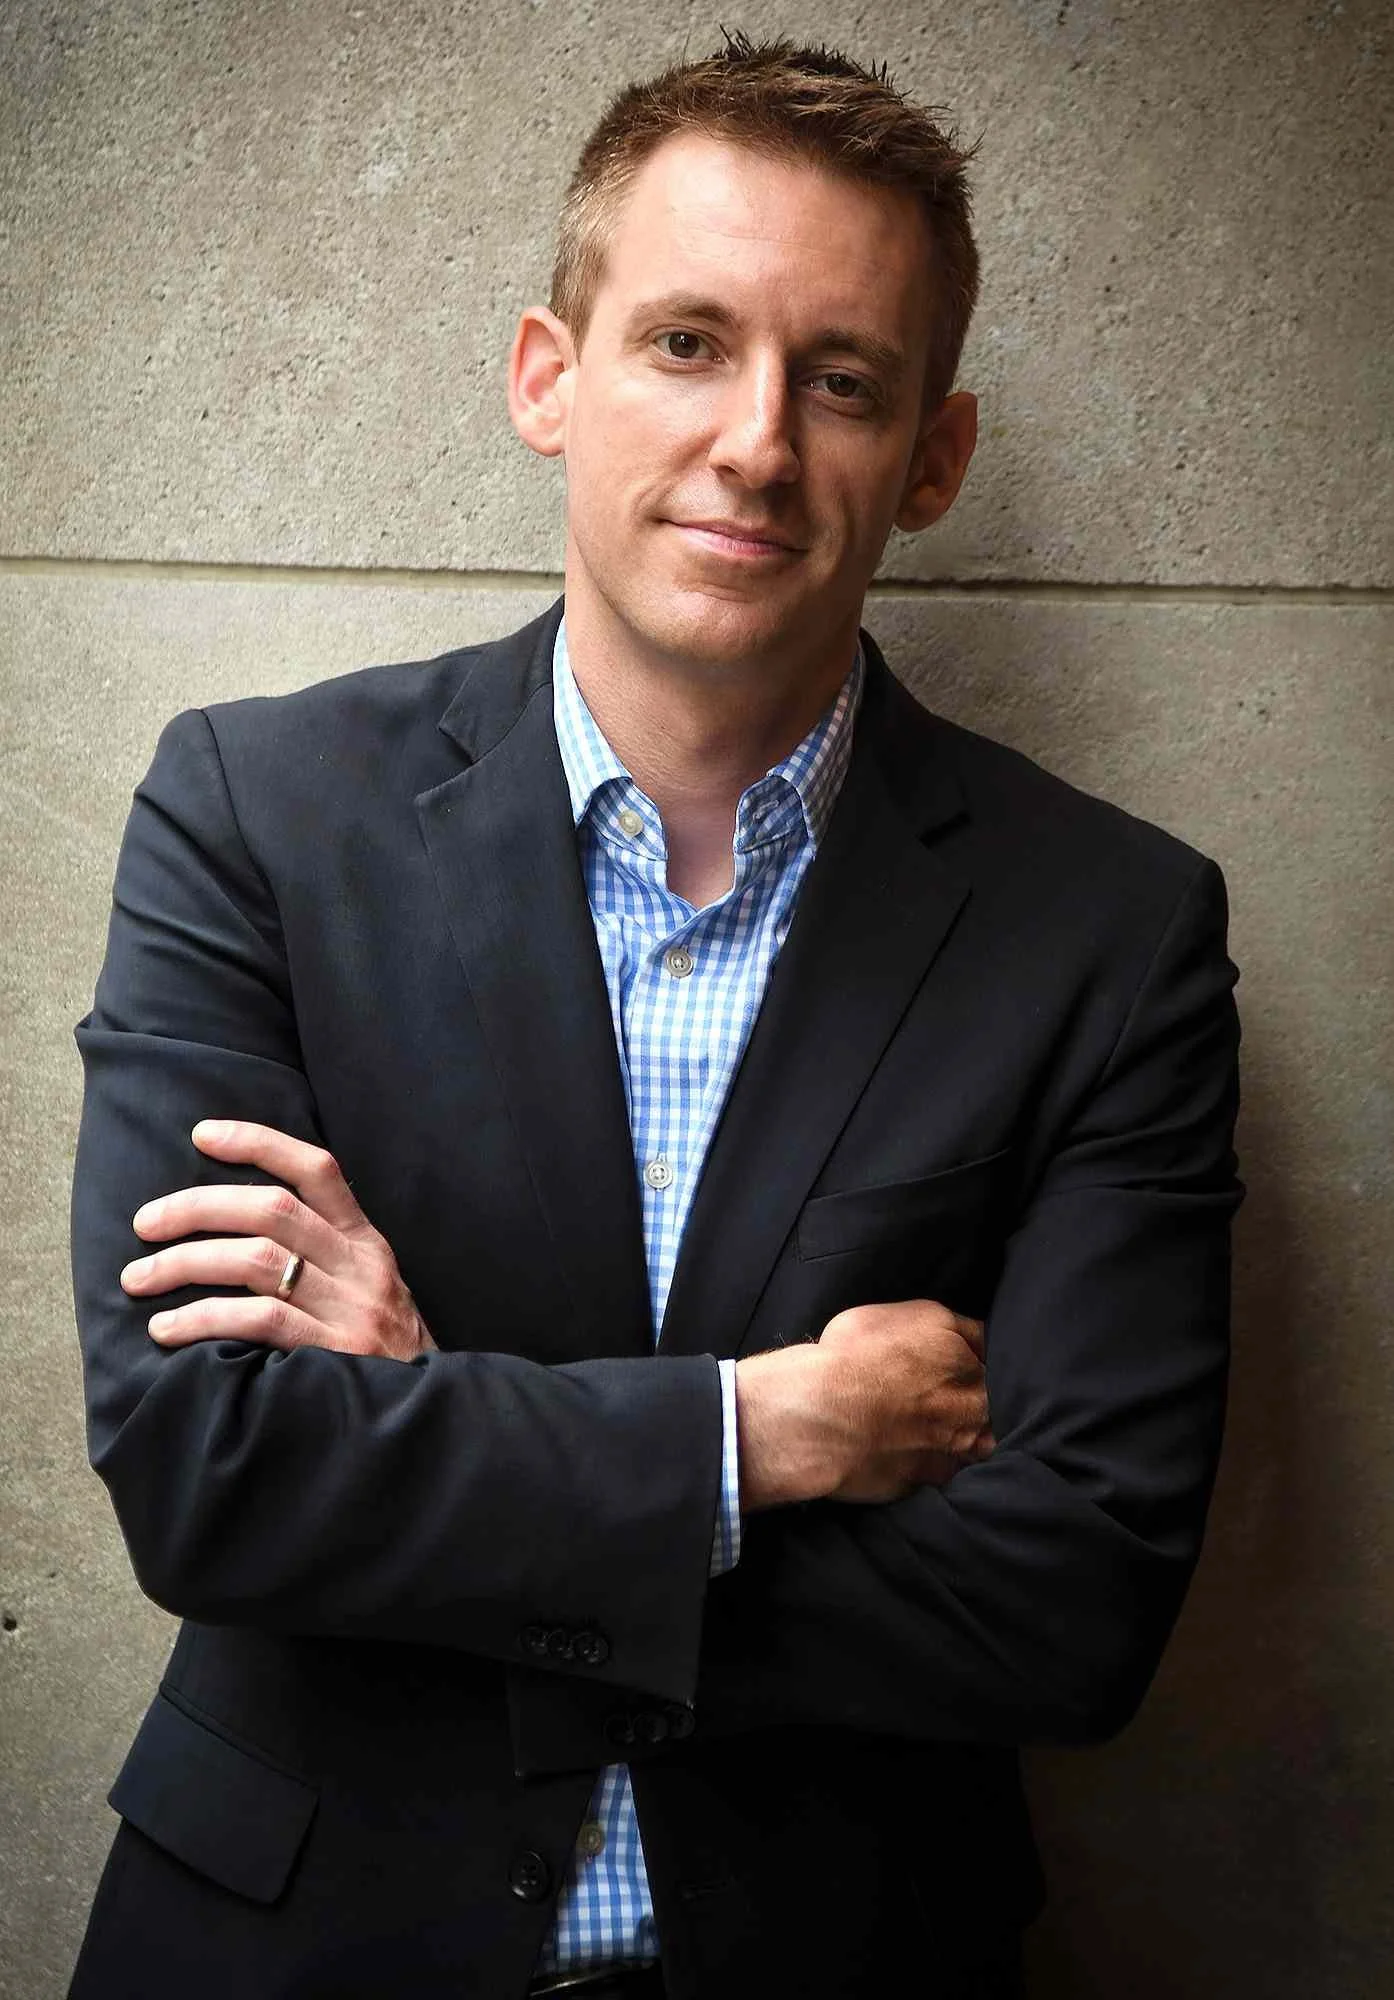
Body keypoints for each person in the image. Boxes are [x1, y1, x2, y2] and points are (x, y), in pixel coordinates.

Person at [67, 33, 1241, 2000]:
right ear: (552, 375)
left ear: (930, 456)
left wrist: (440, 1428)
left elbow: (1072, 1611)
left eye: (840, 377)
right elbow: (212, 1477)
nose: (757, 442)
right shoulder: (256, 815)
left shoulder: (1108, 932)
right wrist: (752, 1433)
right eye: (687, 343)